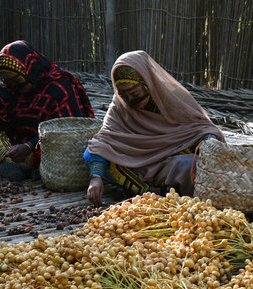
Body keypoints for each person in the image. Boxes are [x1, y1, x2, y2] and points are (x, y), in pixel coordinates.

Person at [84, 50, 225, 206]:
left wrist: (209, 140)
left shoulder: (172, 98)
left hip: (170, 162)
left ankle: (168, 190)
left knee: (191, 165)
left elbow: (202, 127)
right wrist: (95, 177)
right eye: (124, 95)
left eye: (135, 93)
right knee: (90, 155)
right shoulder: (120, 107)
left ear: (148, 83)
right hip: (136, 164)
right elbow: (102, 141)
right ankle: (147, 191)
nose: (130, 100)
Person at [0, 40, 95, 180]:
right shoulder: (7, 88)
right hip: (17, 146)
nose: (13, 87)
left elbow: (67, 131)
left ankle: (24, 166)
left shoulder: (59, 87)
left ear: (31, 72)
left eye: (18, 82)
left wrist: (29, 146)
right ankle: (19, 165)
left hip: (46, 146)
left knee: (60, 153)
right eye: (8, 82)